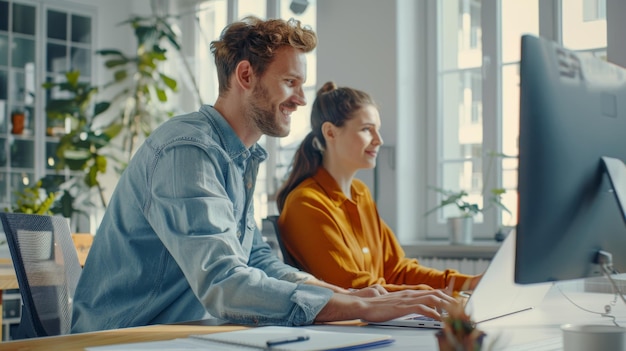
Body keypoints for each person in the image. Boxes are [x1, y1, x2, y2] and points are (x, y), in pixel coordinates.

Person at [71, 17, 456, 334]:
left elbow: (257, 260)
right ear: (245, 75)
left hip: (186, 332)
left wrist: (357, 297)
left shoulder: (239, 157)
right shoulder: (186, 150)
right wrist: (356, 305)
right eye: (290, 82)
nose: (301, 99)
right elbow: (225, 283)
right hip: (123, 338)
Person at [276, 81, 481, 293]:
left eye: (378, 131)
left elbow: (396, 271)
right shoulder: (306, 203)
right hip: (347, 324)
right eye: (367, 130)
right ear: (330, 132)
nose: (379, 140)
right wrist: (432, 295)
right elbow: (352, 288)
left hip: (377, 318)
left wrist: (470, 283)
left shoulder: (361, 193)